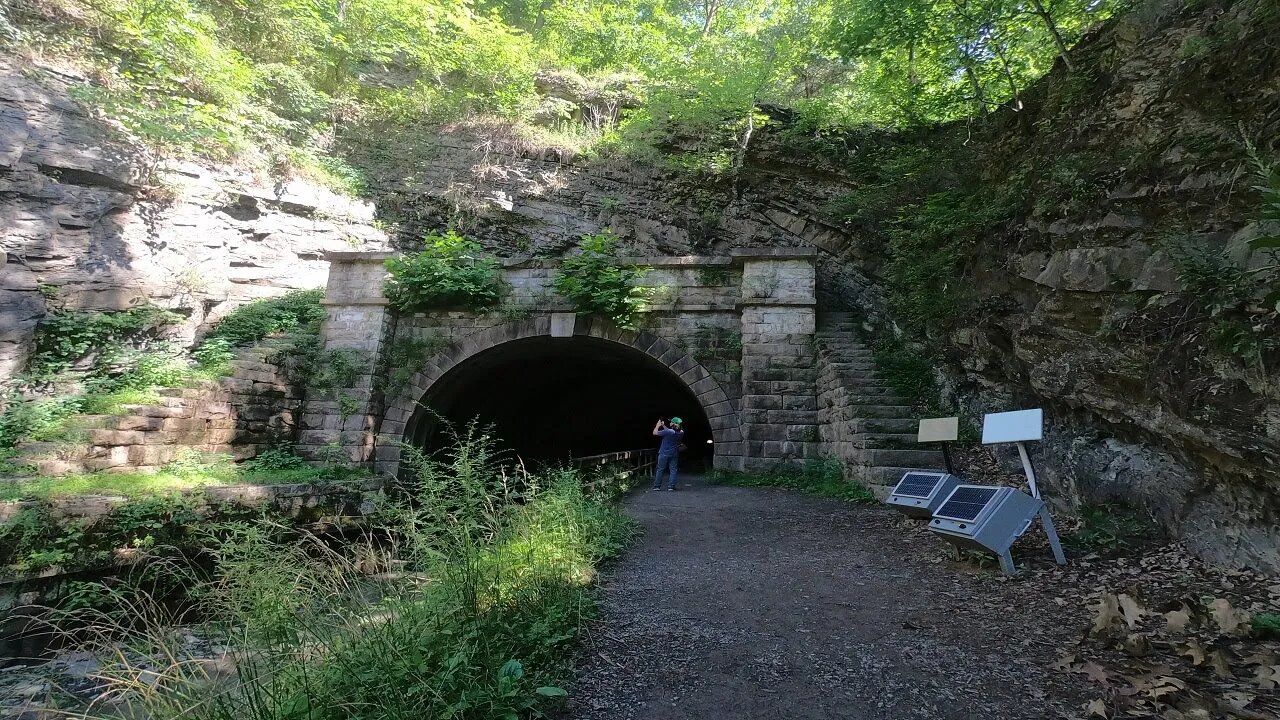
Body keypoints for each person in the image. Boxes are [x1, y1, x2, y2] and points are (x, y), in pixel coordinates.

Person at [651, 416, 685, 491]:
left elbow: (654, 433)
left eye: (671, 422)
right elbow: (669, 431)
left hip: (664, 453)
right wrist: (663, 425)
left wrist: (658, 425)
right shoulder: (681, 432)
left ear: (673, 423)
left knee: (660, 469)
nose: (670, 422)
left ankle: (657, 486)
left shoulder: (669, 432)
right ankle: (671, 487)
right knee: (673, 470)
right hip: (674, 454)